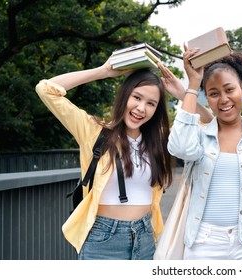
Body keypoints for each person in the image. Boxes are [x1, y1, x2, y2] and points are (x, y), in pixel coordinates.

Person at [34, 56, 207, 260]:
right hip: (103, 241)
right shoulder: (94, 131)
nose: (141, 108)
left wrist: (183, 94)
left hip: (146, 239)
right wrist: (103, 71)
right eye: (137, 97)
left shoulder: (161, 138)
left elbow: (210, 126)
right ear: (124, 95)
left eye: (151, 103)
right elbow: (46, 89)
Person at [167, 46, 242, 260]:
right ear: (207, 99)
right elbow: (180, 147)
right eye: (214, 93)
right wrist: (193, 85)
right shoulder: (199, 137)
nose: (223, 99)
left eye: (229, 90)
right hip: (203, 242)